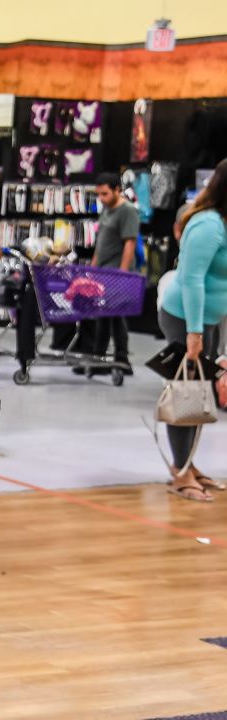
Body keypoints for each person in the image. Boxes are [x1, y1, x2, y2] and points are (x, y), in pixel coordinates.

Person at [159, 158, 227, 502]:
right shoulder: (208, 224)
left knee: (202, 394)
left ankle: (189, 463)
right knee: (186, 394)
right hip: (185, 318)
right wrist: (195, 333)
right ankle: (179, 471)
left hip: (208, 320)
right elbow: (192, 280)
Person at [77, 173, 140, 375]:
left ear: (117, 190)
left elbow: (130, 242)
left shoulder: (127, 211)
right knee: (104, 315)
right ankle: (99, 358)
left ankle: (121, 359)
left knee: (115, 314)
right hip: (102, 272)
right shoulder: (106, 210)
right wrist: (92, 269)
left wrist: (123, 272)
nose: (101, 198)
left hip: (117, 273)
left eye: (105, 193)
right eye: (99, 194)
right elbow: (101, 243)